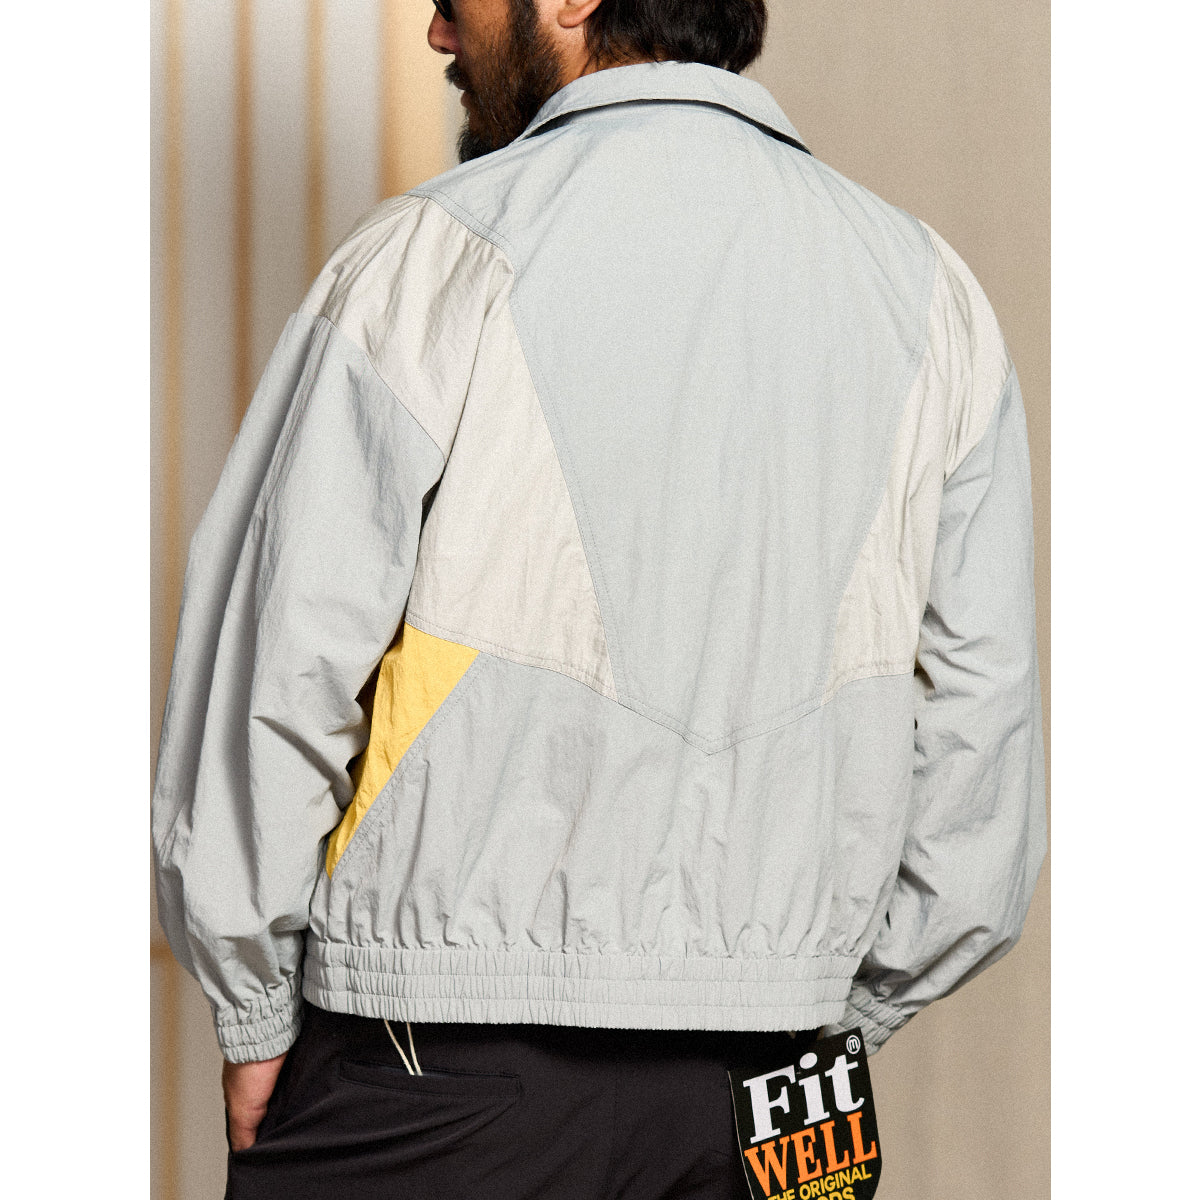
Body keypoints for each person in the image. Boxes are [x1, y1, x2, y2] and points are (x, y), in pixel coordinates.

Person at [152, 1, 1046, 1195]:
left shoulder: (435, 257)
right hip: (788, 1089)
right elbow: (983, 743)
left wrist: (255, 1006)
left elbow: (280, 660)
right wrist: (825, 1011)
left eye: (455, 0)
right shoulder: (933, 294)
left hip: (450, 1068)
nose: (439, 34)